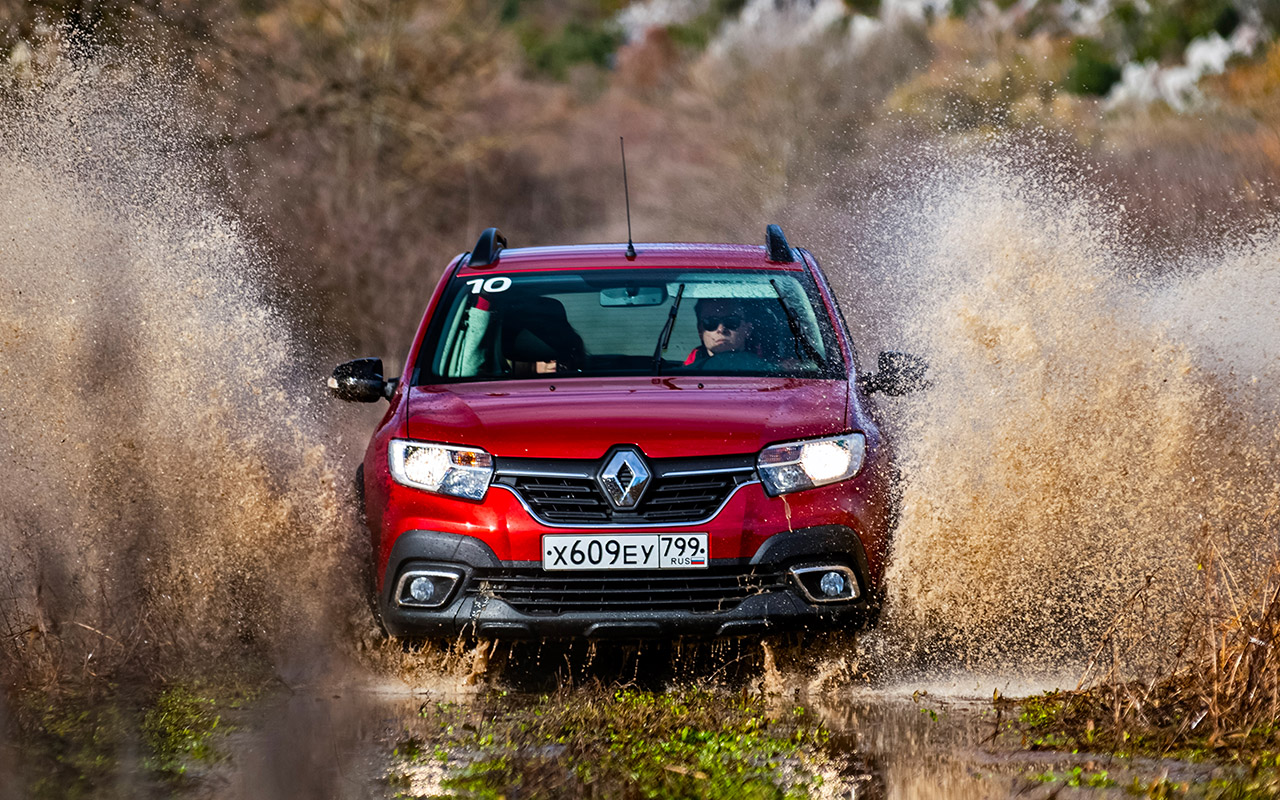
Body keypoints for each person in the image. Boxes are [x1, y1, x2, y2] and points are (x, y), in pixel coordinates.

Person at [684, 298, 755, 365]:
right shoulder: (682, 374)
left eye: (731, 321)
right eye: (710, 322)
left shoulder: (764, 371)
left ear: (747, 330)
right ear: (700, 331)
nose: (721, 329)